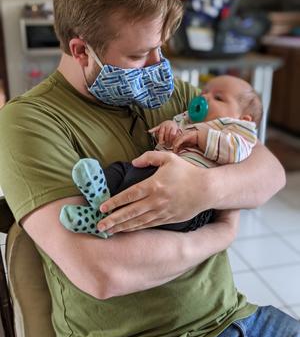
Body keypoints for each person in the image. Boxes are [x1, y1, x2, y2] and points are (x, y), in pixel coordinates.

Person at [0, 0, 298, 337]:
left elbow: (269, 173)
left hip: (235, 317)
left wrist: (200, 191)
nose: (159, 65)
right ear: (80, 50)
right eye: (140, 54)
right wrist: (219, 235)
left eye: (161, 47)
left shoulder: (172, 93)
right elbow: (103, 273)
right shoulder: (30, 122)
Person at [60, 75, 261, 236]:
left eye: (218, 98)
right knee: (121, 171)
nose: (205, 98)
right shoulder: (187, 118)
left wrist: (201, 137)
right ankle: (99, 199)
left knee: (141, 194)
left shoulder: (237, 130)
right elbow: (166, 144)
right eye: (205, 92)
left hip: (191, 206)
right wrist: (169, 128)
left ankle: (105, 222)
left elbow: (236, 150)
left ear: (244, 118)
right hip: (156, 171)